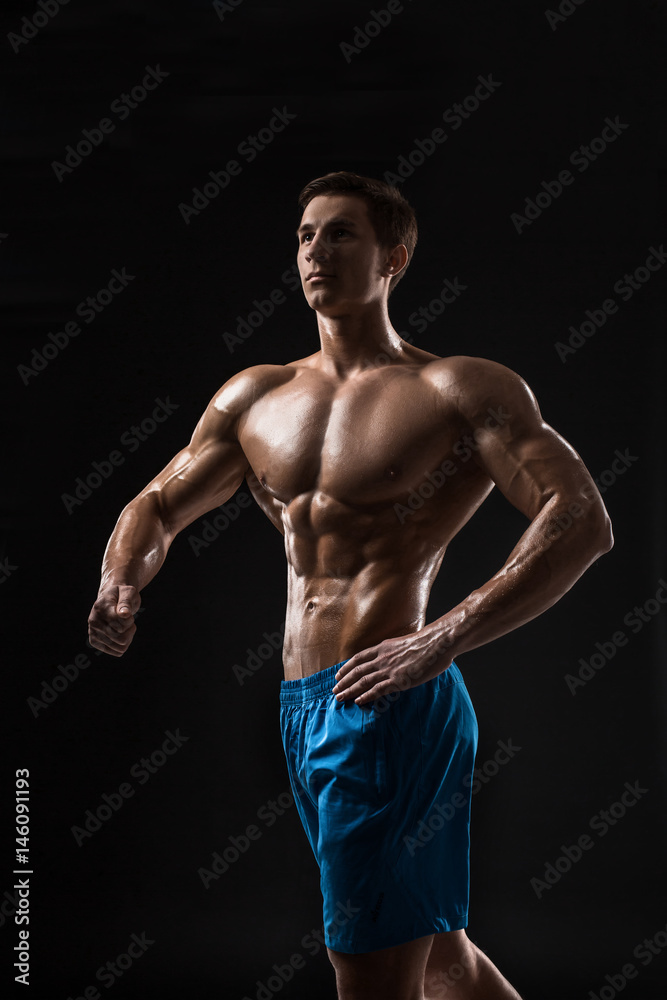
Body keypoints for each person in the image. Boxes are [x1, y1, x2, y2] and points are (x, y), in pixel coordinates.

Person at [88, 171, 613, 1000]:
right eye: (304, 235)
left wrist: (442, 637)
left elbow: (580, 517)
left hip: (385, 706)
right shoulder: (254, 396)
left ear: (393, 257)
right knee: (436, 955)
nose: (315, 251)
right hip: (303, 708)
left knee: (368, 971)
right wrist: (120, 577)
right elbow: (156, 503)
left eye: (340, 234)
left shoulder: (456, 388)